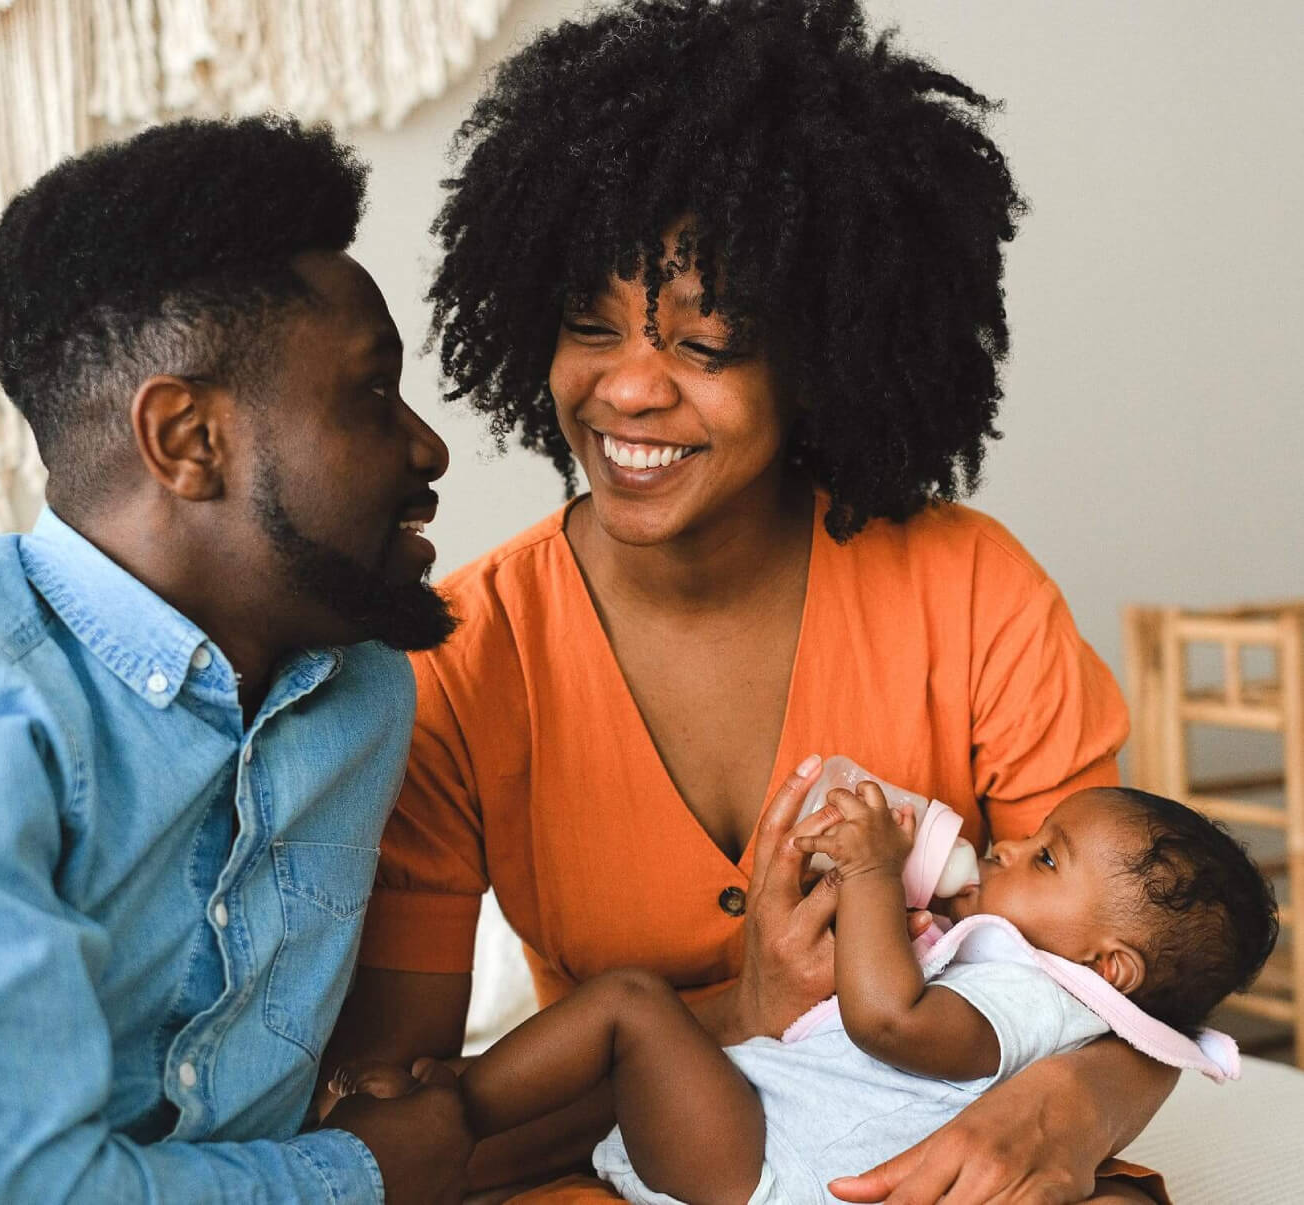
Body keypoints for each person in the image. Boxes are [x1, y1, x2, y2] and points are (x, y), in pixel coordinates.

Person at [323, 0, 1181, 1199]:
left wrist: (1062, 1108)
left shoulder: (973, 590)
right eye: (589, 327)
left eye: (705, 343)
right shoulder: (463, 661)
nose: (627, 388)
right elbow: (401, 1130)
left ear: (823, 350)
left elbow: (1132, 975)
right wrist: (747, 1009)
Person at [0, 116, 473, 1202]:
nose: (427, 445)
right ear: (187, 440)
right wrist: (357, 1175)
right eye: (370, 392)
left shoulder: (360, 692)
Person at [332, 783, 1278, 1204]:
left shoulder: (1042, 996)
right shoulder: (1029, 974)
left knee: (628, 1004)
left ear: (1110, 966)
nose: (1007, 845)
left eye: (1045, 858)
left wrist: (871, 870)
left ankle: (455, 1102)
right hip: (768, 1144)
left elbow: (889, 1019)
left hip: (766, 1166)